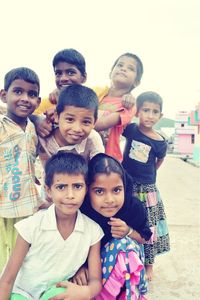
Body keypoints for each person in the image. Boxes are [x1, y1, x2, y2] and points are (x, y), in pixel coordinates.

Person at [0, 152, 104, 300]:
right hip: (21, 292)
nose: (70, 195)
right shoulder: (31, 226)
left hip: (53, 292)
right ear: (48, 190)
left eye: (77, 186)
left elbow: (95, 281)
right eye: (61, 187)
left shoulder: (93, 231)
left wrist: (86, 292)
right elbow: (6, 279)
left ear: (86, 189)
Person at [55, 153, 152, 300]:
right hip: (87, 265)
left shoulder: (133, 208)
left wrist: (128, 231)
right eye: (99, 191)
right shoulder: (81, 211)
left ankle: (127, 295)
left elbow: (145, 238)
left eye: (117, 190)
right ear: (87, 191)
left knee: (124, 245)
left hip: (121, 268)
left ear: (125, 187)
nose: (109, 200)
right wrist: (78, 268)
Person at [122, 91, 170, 280]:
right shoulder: (131, 129)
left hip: (148, 188)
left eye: (154, 111)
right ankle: (128, 259)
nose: (150, 115)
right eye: (145, 110)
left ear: (160, 116)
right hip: (128, 185)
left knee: (149, 226)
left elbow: (159, 160)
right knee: (129, 222)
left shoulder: (160, 141)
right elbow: (115, 128)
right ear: (137, 112)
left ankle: (149, 265)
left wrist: (150, 174)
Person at [0, 67, 43, 272]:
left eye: (32, 94)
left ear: (38, 100)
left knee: (24, 261)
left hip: (28, 207)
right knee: (3, 259)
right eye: (18, 91)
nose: (25, 98)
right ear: (3, 95)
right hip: (2, 207)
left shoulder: (35, 128)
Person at [38, 84, 104, 167]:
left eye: (86, 122)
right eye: (70, 120)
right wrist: (36, 120)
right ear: (57, 117)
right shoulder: (43, 136)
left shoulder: (92, 138)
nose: (77, 129)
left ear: (94, 122)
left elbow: (100, 170)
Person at [94, 52, 143, 161]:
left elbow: (102, 124)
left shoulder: (129, 105)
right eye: (120, 65)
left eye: (130, 68)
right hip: (86, 154)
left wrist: (77, 123)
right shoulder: (97, 95)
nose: (123, 69)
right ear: (111, 72)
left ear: (136, 82)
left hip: (107, 161)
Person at [32, 48, 87, 137]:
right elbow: (24, 116)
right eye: (58, 73)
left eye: (70, 72)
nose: (63, 78)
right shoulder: (48, 102)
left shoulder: (91, 100)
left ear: (84, 77)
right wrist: (37, 120)